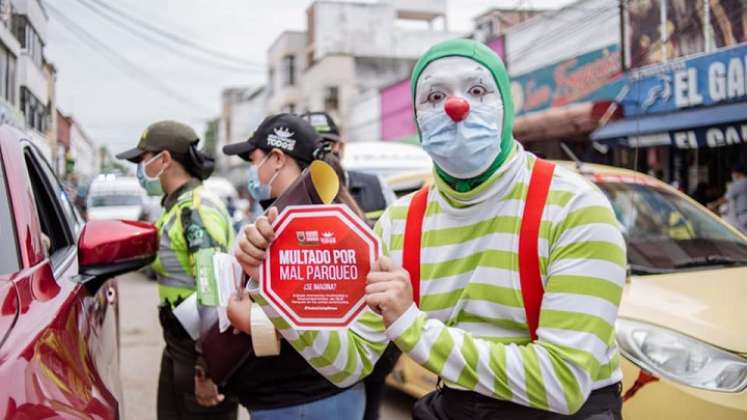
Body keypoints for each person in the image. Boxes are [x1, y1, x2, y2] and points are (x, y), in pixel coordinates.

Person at [236, 39, 626, 419]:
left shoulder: (574, 207)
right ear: (418, 118)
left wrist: (411, 326)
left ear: (504, 107)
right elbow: (349, 364)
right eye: (434, 97)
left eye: (476, 90)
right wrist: (273, 286)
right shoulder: (401, 223)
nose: (456, 106)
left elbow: (562, 383)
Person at [221, 113, 367, 420]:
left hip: (302, 401)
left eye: (252, 159)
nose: (251, 170)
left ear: (276, 158)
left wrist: (250, 320)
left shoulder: (311, 226)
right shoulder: (294, 215)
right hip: (302, 397)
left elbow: (322, 311)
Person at [116, 121, 238, 420]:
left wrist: (207, 368)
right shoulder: (176, 207)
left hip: (201, 352)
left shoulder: (196, 210)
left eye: (143, 160)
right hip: (179, 344)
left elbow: (214, 292)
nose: (140, 169)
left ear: (165, 159)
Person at [300, 111, 399, 420]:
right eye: (315, 145)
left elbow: (398, 247)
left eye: (327, 144)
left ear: (340, 145)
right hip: (327, 333)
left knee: (369, 408)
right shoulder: (298, 193)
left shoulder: (374, 186)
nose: (324, 151)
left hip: (374, 326)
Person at [300, 111, 396, 224]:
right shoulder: (291, 198)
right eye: (310, 147)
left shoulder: (377, 187)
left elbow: (397, 229)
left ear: (341, 147)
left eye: (326, 145)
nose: (319, 152)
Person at [709, 162, 747, 234]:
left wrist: (712, 205)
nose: (733, 175)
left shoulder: (738, 184)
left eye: (733, 173)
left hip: (742, 216)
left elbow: (725, 199)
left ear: (737, 173)